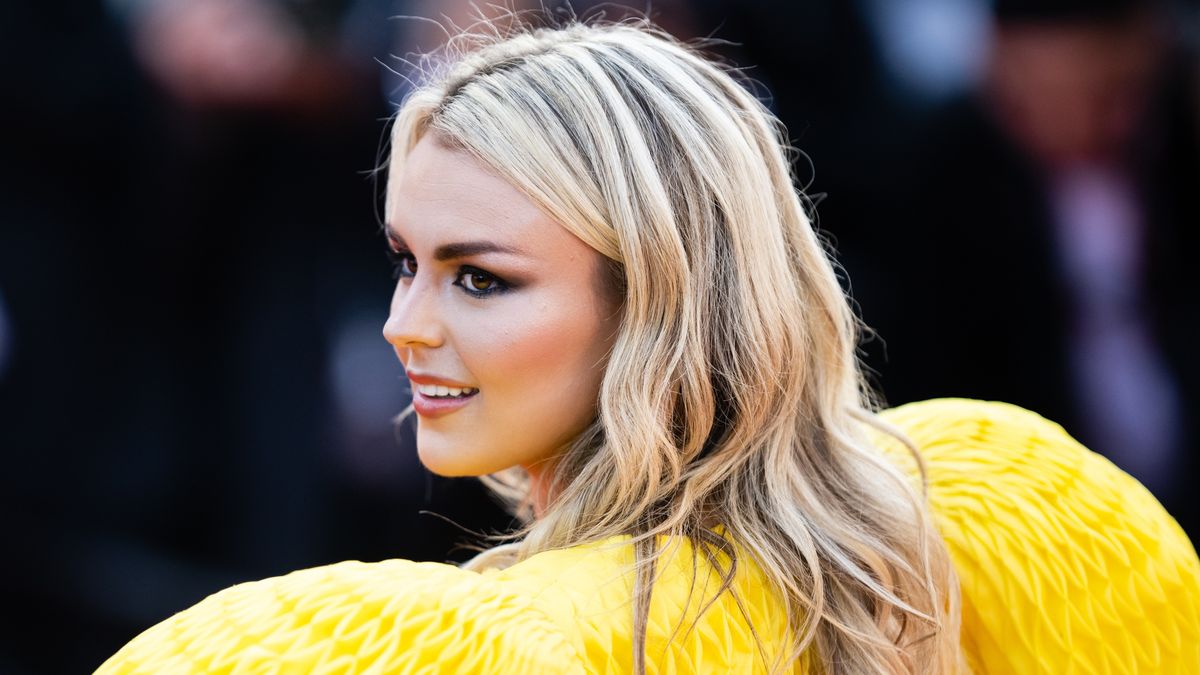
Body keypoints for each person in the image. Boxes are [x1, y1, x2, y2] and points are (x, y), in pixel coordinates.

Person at [96, 19, 1199, 674]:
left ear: (665, 300)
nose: (406, 324)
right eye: (404, 262)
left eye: (481, 278)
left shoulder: (477, 649)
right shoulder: (1001, 502)